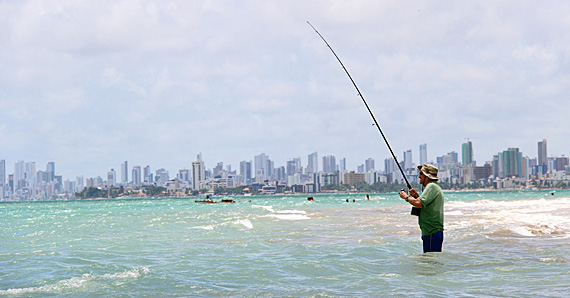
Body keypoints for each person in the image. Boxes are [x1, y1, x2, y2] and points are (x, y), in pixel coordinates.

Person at [399, 164, 444, 253]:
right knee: (431, 261)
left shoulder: (432, 186)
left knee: (430, 262)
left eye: (421, 174)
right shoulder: (433, 187)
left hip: (432, 232)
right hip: (431, 232)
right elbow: (424, 203)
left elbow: (419, 203)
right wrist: (416, 196)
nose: (419, 176)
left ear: (427, 176)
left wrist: (406, 197)